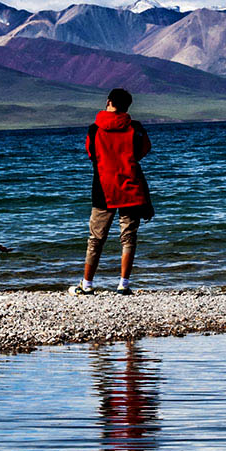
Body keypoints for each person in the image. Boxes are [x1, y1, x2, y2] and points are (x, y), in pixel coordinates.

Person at [71, 88, 153, 297]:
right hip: (131, 187)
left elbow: (92, 154)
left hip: (103, 188)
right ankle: (123, 285)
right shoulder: (136, 128)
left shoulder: (94, 129)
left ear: (108, 102)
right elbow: (143, 150)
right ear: (127, 106)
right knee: (128, 237)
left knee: (96, 238)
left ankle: (87, 284)